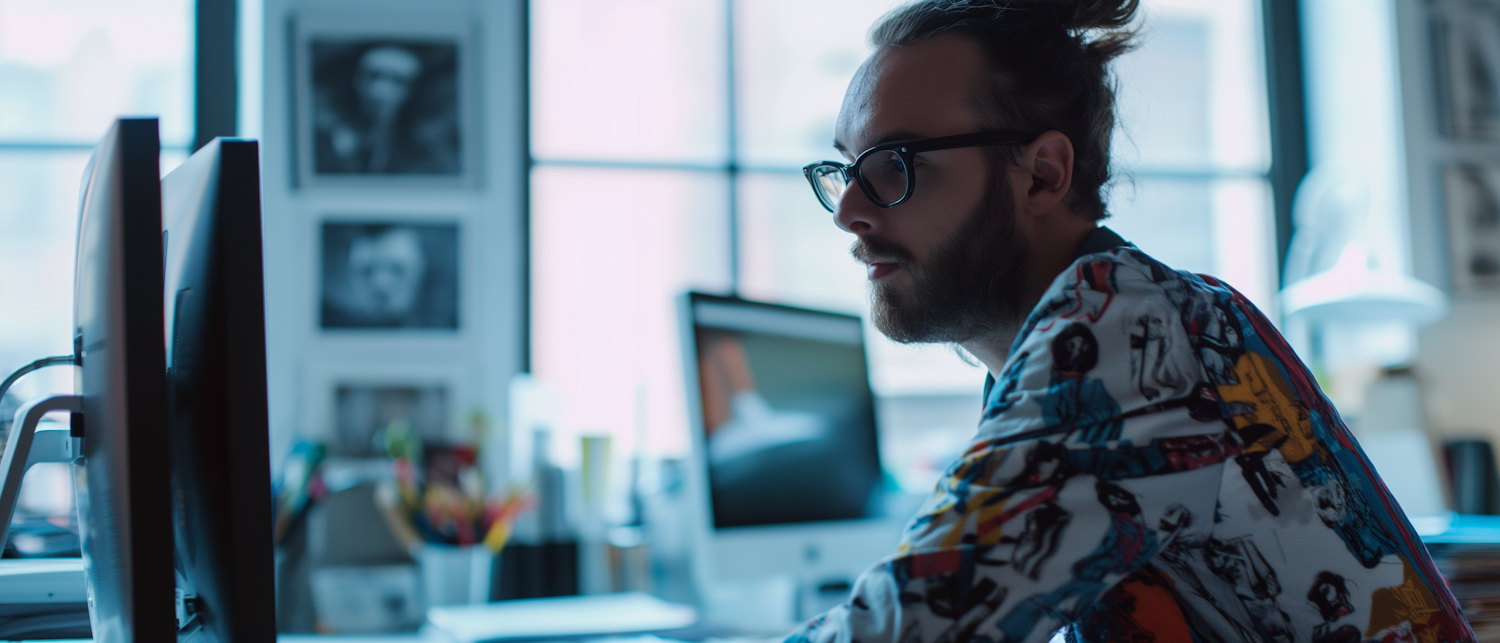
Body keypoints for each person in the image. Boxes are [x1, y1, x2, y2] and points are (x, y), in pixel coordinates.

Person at [789, 2, 1475, 642]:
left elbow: (918, 623)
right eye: (844, 169)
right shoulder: (1134, 317)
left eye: (892, 165)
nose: (849, 209)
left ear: (1042, 175)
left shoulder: (1121, 324)